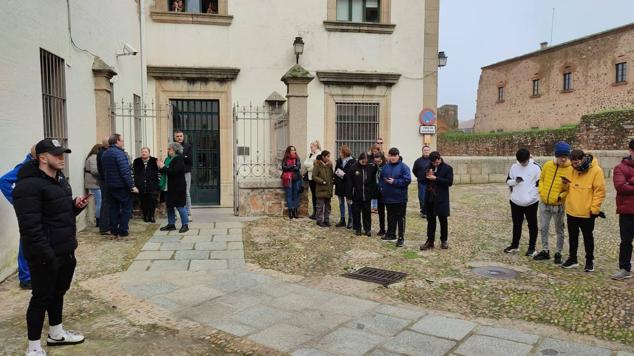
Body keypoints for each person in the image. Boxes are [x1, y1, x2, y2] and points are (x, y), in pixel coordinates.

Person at [13, 139, 89, 356]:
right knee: (40, 298)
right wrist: (48, 256)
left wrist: (75, 207)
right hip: (45, 255)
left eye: (63, 153)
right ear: (42, 158)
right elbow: (30, 228)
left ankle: (56, 334)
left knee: (58, 294)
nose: (61, 158)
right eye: (56, 154)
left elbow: (59, 215)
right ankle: (34, 348)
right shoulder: (28, 186)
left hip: (65, 250)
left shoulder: (60, 181)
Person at [561, 149, 606, 271]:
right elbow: (567, 188)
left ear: (583, 159)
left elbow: (599, 192)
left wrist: (595, 209)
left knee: (588, 237)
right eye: (573, 163)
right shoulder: (571, 169)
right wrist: (564, 183)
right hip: (572, 210)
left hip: (587, 212)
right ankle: (572, 258)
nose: (574, 165)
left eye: (577, 163)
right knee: (572, 236)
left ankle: (589, 260)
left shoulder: (596, 171)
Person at [0, 146, 36, 290]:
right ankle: (25, 277)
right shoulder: (25, 167)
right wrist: (17, 201)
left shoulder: (37, 166)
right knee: (26, 240)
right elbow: (3, 181)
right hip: (28, 210)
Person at [533, 141, 573, 264]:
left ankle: (558, 252)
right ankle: (545, 250)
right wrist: (542, 192)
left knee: (559, 230)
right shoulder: (547, 165)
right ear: (556, 155)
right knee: (543, 228)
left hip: (558, 205)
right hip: (544, 203)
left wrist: (560, 197)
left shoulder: (570, 169)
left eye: (565, 155)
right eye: (561, 155)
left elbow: (570, 189)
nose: (563, 158)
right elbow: (542, 180)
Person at [503, 148, 541, 256]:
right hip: (515, 201)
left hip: (531, 202)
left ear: (529, 158)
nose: (522, 163)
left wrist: (532, 196)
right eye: (520, 162)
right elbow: (508, 181)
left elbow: (540, 184)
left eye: (524, 161)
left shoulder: (536, 168)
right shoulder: (514, 167)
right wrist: (515, 181)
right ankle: (515, 245)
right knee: (517, 224)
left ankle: (532, 248)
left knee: (532, 225)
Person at [101, 134, 138, 239]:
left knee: (113, 208)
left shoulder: (105, 153)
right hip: (121, 186)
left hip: (109, 186)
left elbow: (103, 171)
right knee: (127, 208)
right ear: (117, 141)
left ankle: (114, 230)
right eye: (122, 140)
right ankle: (123, 230)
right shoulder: (120, 154)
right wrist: (132, 185)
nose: (123, 142)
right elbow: (125, 172)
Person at [420, 151, 454, 250]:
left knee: (443, 220)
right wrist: (426, 175)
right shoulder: (428, 167)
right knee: (430, 221)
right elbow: (422, 180)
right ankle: (430, 242)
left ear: (439, 159)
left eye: (436, 162)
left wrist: (436, 178)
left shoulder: (447, 168)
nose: (435, 164)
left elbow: (449, 182)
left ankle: (444, 240)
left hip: (441, 198)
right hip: (430, 198)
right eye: (433, 162)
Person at [379, 147, 411, 247]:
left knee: (400, 218)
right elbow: (381, 179)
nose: (392, 158)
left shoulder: (404, 167)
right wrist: (381, 188)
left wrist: (394, 182)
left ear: (398, 156)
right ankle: (391, 234)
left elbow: (407, 180)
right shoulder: (385, 167)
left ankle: (401, 237)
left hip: (400, 198)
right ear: (388, 156)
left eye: (394, 156)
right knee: (390, 216)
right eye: (391, 156)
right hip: (388, 197)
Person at [612, 139, 634, 280]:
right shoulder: (620, 168)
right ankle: (624, 268)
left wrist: (630, 180)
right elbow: (621, 187)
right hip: (627, 212)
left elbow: (627, 185)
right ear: (631, 151)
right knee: (626, 241)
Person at [158, 143, 189, 233]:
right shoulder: (168, 159)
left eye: (169, 149)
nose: (168, 151)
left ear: (174, 150)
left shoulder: (179, 159)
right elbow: (164, 171)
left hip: (177, 187)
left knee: (180, 206)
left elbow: (173, 172)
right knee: (169, 206)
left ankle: (185, 225)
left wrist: (163, 167)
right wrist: (160, 166)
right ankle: (171, 224)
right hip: (168, 187)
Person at [347, 152, 378, 236]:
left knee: (367, 213)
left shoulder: (370, 167)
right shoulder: (353, 168)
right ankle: (358, 229)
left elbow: (373, 181)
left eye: (366, 161)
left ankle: (367, 229)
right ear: (359, 160)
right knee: (356, 213)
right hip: (356, 195)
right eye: (363, 161)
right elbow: (349, 183)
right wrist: (349, 196)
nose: (364, 163)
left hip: (367, 195)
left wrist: (373, 192)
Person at [133, 147, 160, 223]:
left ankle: (151, 216)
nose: (143, 153)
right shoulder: (137, 161)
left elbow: (159, 172)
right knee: (143, 201)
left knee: (152, 201)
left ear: (149, 153)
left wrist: (158, 182)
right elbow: (133, 173)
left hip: (152, 185)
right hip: (141, 185)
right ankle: (145, 216)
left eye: (145, 152)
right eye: (142, 152)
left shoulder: (154, 160)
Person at [334, 145, 356, 228]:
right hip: (340, 184)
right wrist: (337, 174)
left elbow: (351, 173)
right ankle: (342, 219)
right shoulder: (339, 160)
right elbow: (336, 170)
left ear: (344, 153)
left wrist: (343, 174)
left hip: (348, 185)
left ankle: (351, 219)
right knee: (340, 202)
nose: (339, 153)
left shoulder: (352, 161)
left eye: (340, 152)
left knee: (349, 202)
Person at [174, 130, 193, 220]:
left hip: (186, 173)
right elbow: (170, 159)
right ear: (175, 137)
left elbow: (189, 160)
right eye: (177, 136)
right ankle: (175, 214)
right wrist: (183, 156)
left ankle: (188, 214)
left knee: (186, 193)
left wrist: (181, 156)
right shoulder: (172, 147)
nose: (179, 138)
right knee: (175, 192)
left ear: (183, 137)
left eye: (181, 136)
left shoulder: (188, 146)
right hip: (175, 173)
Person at [312, 151, 334, 227]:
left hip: (328, 188)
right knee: (320, 206)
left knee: (328, 206)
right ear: (323, 157)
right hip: (321, 188)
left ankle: (326, 220)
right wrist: (322, 181)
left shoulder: (330, 165)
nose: (328, 158)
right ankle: (319, 220)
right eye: (327, 156)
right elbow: (314, 176)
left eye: (329, 156)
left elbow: (331, 175)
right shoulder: (317, 165)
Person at [281, 145, 302, 219]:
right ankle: (290, 211)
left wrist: (290, 167)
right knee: (289, 195)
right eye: (292, 150)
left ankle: (295, 211)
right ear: (289, 151)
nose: (294, 151)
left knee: (295, 195)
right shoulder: (285, 159)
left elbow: (298, 167)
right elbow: (284, 167)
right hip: (288, 179)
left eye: (294, 150)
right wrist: (292, 166)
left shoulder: (297, 158)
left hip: (296, 178)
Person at [84, 144, 102, 227]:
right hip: (94, 182)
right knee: (99, 201)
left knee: (97, 202)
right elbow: (94, 171)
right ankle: (98, 219)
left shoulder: (91, 157)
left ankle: (97, 219)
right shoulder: (94, 157)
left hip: (93, 182)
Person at [303, 140, 322, 220]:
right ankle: (314, 212)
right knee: (313, 195)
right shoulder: (310, 154)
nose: (311, 148)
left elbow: (315, 166)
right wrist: (310, 166)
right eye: (310, 147)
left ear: (316, 146)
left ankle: (318, 213)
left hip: (316, 177)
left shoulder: (319, 154)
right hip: (310, 177)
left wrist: (309, 167)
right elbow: (305, 163)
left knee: (317, 195)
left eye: (312, 147)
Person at [96, 137, 110, 235]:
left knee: (106, 204)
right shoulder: (103, 153)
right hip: (105, 181)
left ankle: (105, 226)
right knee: (106, 204)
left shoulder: (102, 152)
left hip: (104, 180)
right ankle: (104, 227)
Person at [412, 146, 431, 218]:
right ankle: (423, 211)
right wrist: (419, 176)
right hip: (422, 182)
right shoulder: (418, 161)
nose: (426, 151)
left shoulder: (432, 160)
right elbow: (414, 170)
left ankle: (429, 211)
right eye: (425, 150)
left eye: (427, 150)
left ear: (429, 151)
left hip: (430, 182)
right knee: (422, 197)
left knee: (430, 197)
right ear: (422, 151)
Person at [373, 152, 387, 236]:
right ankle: (382, 229)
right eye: (376, 161)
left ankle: (390, 229)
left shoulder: (386, 167)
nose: (377, 163)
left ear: (382, 159)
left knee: (389, 212)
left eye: (379, 161)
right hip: (378, 192)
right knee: (381, 212)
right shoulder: (375, 166)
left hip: (386, 192)